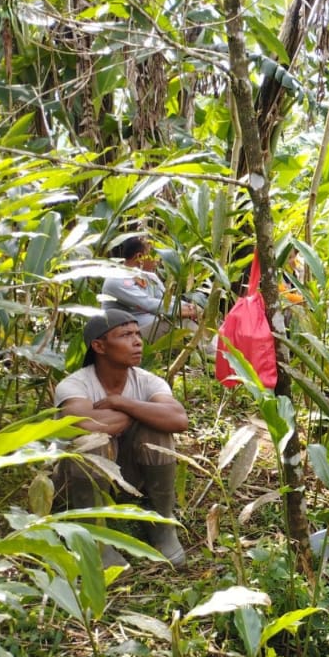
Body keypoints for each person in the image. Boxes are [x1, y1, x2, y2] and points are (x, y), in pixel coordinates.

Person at [54, 309, 189, 567]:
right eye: (126, 335)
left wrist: (121, 403)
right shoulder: (75, 385)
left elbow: (178, 419)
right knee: (91, 441)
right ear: (99, 346)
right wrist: (141, 412)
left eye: (138, 333)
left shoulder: (148, 381)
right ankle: (94, 536)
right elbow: (84, 424)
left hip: (129, 477)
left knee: (157, 431)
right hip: (78, 482)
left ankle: (162, 524)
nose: (137, 341)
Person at [102, 234, 206, 346]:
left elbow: (166, 299)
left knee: (195, 323)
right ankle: (217, 355)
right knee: (183, 326)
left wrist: (190, 307)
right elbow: (149, 304)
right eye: (155, 254)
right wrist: (183, 311)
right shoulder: (116, 279)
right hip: (126, 335)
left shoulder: (150, 277)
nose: (159, 259)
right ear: (140, 257)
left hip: (151, 327)